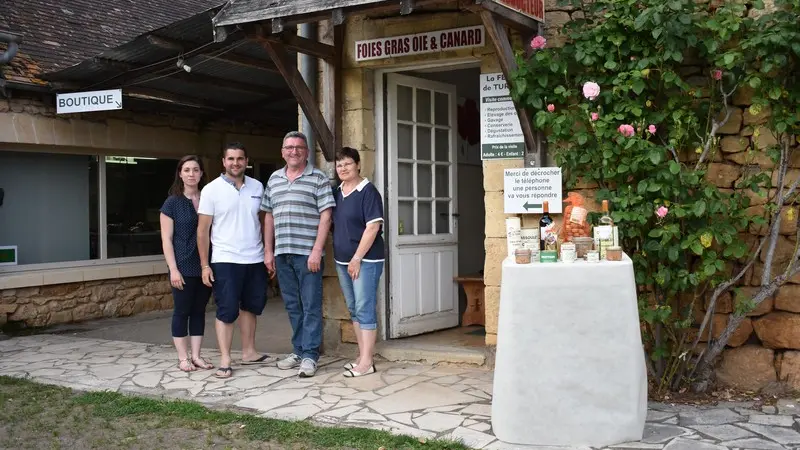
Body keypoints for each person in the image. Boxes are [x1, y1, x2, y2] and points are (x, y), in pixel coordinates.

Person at [262, 131, 335, 378]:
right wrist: (269, 251)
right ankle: (298, 350)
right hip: (283, 253)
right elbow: (268, 216)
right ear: (282, 151)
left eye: (299, 147)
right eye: (289, 147)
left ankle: (310, 355)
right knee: (293, 305)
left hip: (308, 254)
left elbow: (326, 216)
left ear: (306, 151)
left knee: (311, 305)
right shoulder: (274, 179)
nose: (294, 151)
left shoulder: (318, 178)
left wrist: (317, 250)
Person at [197, 142, 271, 379]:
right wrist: (204, 265)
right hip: (225, 259)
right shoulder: (211, 190)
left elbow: (263, 222)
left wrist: (269, 253)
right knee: (227, 309)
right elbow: (202, 231)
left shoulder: (257, 186)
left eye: (240, 159)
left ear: (246, 161)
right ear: (223, 161)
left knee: (251, 306)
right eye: (231, 159)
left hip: (255, 257)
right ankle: (226, 358)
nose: (235, 163)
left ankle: (249, 352)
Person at [331, 147, 385, 378]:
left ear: (358, 165)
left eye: (348, 164)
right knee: (353, 308)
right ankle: (361, 355)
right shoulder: (337, 192)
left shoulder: (368, 191)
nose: (343, 168)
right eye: (339, 164)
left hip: (366, 260)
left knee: (364, 307)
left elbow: (372, 227)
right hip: (342, 260)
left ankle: (367, 362)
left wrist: (356, 258)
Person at [159, 155, 214, 373]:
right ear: (180, 174)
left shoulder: (208, 198)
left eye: (196, 170)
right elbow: (166, 239)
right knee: (182, 311)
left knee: (199, 311)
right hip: (182, 265)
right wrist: (173, 269)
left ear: (201, 174)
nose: (192, 174)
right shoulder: (172, 203)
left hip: (206, 265)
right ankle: (183, 358)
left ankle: (197, 356)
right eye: (187, 170)